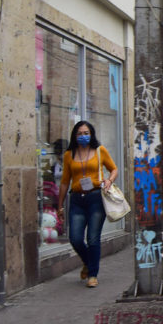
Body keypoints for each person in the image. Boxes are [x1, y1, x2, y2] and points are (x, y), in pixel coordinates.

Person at [57, 121, 118, 288]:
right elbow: (64, 182)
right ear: (74, 136)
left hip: (96, 198)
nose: (83, 136)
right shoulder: (69, 154)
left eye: (86, 133)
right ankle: (87, 261)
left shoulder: (100, 151)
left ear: (91, 134)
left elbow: (114, 168)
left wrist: (109, 181)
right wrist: (59, 205)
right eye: (79, 133)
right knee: (75, 238)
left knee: (93, 238)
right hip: (77, 199)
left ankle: (93, 274)